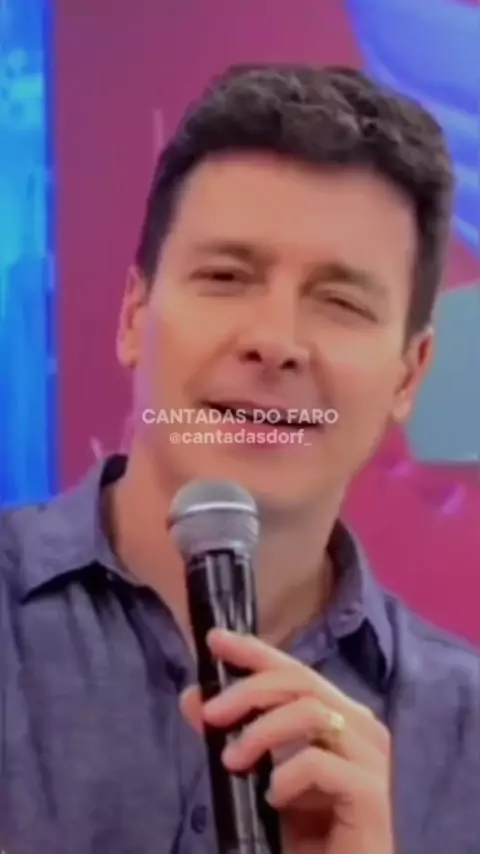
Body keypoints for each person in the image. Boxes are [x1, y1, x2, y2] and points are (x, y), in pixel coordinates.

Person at [1, 64, 479, 854]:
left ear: (409, 375)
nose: (276, 342)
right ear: (133, 316)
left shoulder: (463, 736)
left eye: (340, 301)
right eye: (226, 277)